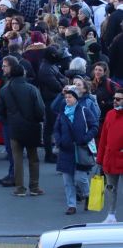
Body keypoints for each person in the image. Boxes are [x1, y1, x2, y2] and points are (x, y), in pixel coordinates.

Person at [0, 56, 45, 197]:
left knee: (17, 159)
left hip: (14, 127)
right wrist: (37, 119)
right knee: (33, 158)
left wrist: (7, 121)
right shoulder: (32, 89)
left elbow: (0, 111)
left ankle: (19, 188)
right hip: (31, 126)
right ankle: (34, 187)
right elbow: (40, 109)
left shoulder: (5, 90)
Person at [53, 86, 99, 215]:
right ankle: (71, 205)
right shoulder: (63, 113)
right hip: (65, 150)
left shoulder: (84, 111)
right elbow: (56, 129)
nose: (67, 99)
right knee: (67, 180)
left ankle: (87, 194)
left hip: (80, 149)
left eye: (70, 97)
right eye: (66, 97)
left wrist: (85, 138)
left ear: (76, 98)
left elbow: (94, 126)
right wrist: (59, 140)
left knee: (81, 178)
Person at [97, 87, 123, 223]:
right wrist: (99, 159)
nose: (115, 101)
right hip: (110, 159)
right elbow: (103, 138)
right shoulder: (110, 114)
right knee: (111, 188)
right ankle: (111, 215)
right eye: (114, 99)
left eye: (118, 99)